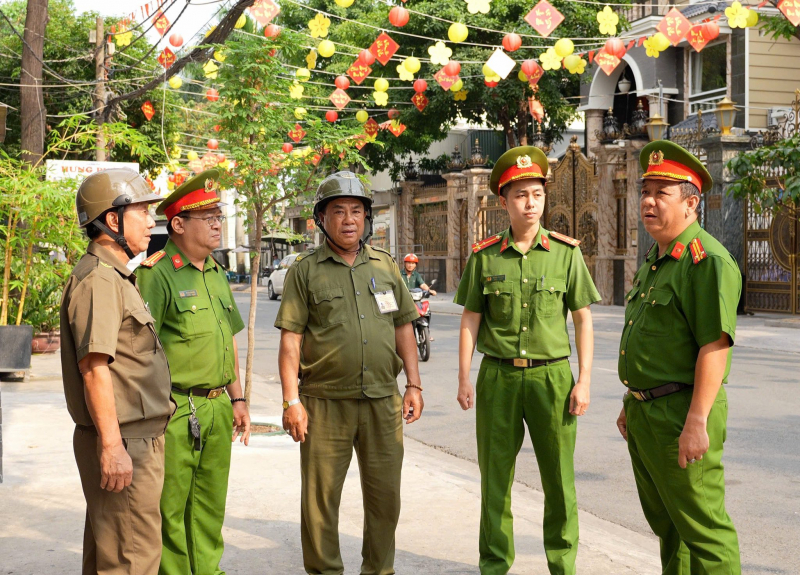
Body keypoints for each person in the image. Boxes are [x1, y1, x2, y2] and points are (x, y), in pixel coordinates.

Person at [454, 147, 601, 575]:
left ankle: (563, 566)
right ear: (504, 202)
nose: (530, 202)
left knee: (559, 483)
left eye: (537, 193)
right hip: (497, 378)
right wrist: (464, 377)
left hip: (552, 379)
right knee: (495, 482)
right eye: (520, 195)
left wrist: (585, 379)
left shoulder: (565, 253)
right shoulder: (485, 256)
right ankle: (495, 565)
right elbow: (470, 317)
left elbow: (583, 319)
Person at [275, 171, 424, 575]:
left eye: (356, 211)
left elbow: (403, 326)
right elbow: (290, 342)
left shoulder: (387, 266)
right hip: (324, 402)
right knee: (321, 502)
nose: (348, 220)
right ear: (321, 219)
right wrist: (292, 402)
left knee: (385, 497)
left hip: (381, 399)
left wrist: (413, 384)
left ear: (366, 217)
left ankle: (378, 570)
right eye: (338, 211)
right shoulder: (304, 271)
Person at [616, 141, 742, 574]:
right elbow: (653, 343)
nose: (648, 201)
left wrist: (696, 422)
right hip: (648, 411)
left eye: (661, 193)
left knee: (704, 530)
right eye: (644, 190)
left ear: (691, 203)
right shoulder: (657, 258)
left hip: (682, 414)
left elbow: (714, 345)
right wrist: (631, 399)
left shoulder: (706, 262)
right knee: (671, 526)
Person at [136, 169, 251, 575]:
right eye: (208, 217)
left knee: (209, 503)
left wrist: (237, 398)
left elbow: (229, 340)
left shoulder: (217, 272)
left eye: (219, 215)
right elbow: (140, 350)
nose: (218, 223)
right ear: (179, 224)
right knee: (171, 506)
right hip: (177, 409)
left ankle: (208, 571)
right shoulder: (157, 273)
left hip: (218, 407)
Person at [60, 169, 174, 575]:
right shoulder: (100, 280)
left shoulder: (116, 275)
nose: (150, 221)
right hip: (124, 440)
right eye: (142, 211)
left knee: (112, 555)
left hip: (132, 438)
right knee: (132, 560)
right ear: (113, 220)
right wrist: (111, 447)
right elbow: (94, 368)